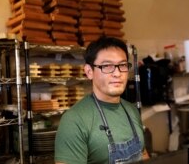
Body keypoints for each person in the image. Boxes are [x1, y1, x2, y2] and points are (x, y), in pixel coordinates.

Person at [54, 36, 148, 164]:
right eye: (107, 66)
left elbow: (143, 154)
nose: (117, 73)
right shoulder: (74, 120)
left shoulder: (131, 110)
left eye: (122, 65)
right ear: (89, 72)